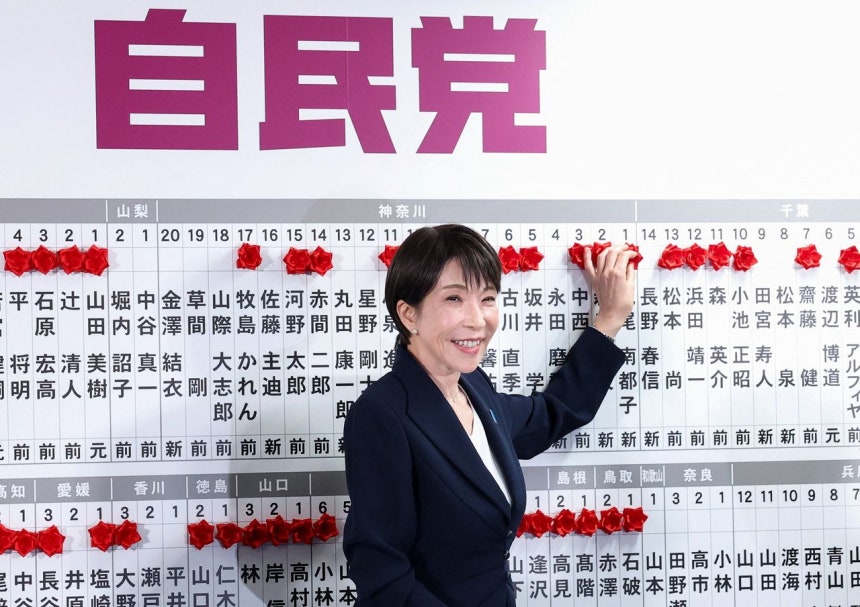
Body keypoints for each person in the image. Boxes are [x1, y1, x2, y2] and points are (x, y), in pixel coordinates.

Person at [343, 224, 637, 606]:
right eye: (454, 298)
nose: (477, 319)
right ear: (408, 314)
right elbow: (382, 574)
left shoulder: (474, 386)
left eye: (487, 298)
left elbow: (551, 414)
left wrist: (609, 319)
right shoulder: (382, 414)